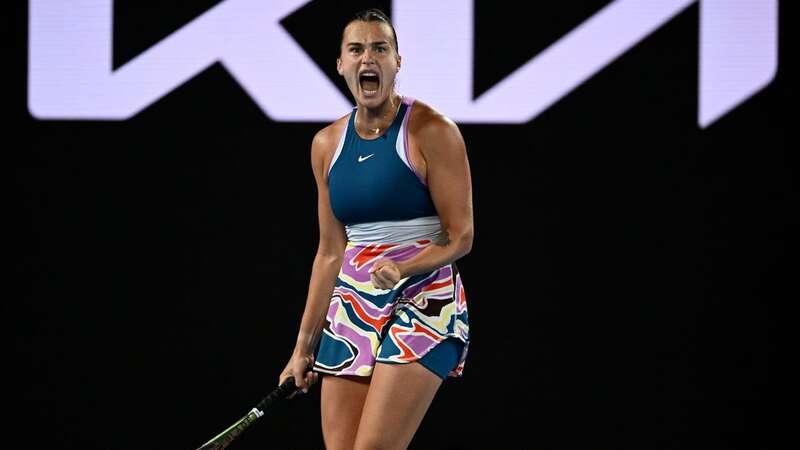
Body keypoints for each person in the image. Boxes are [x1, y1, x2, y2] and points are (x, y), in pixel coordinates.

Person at [278, 8, 473, 450]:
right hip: (352, 308)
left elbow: (462, 235)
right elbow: (330, 252)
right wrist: (302, 347)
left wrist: (404, 268)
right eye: (357, 49)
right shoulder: (326, 145)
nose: (369, 58)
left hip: (426, 302)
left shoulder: (432, 130)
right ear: (342, 64)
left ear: (397, 62)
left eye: (380, 48)